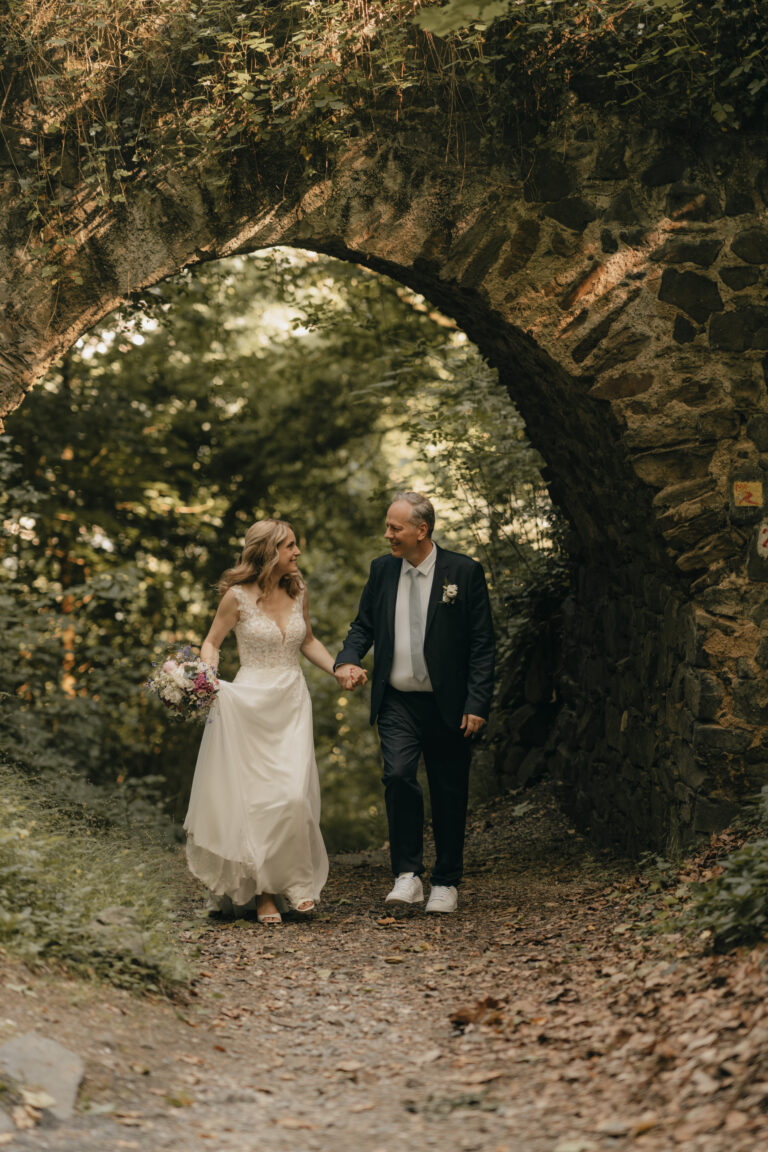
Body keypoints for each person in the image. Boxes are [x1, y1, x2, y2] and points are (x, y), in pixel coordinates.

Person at [184, 519, 352, 925]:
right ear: (268, 551)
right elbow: (212, 641)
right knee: (258, 801)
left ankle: (294, 882)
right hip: (248, 704)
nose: (297, 552)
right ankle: (265, 893)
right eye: (290, 546)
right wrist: (207, 678)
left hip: (292, 702)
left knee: (293, 796)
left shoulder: (298, 591)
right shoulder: (236, 598)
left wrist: (340, 669)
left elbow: (308, 640)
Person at [335, 492, 494, 914]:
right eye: (388, 526)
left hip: (449, 703)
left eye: (395, 527)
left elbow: (482, 644)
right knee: (398, 776)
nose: (387, 534)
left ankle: (446, 881)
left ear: (421, 530)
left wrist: (477, 702)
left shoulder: (464, 571)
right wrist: (348, 660)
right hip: (397, 701)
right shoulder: (382, 570)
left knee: (448, 790)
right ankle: (407, 875)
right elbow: (363, 626)